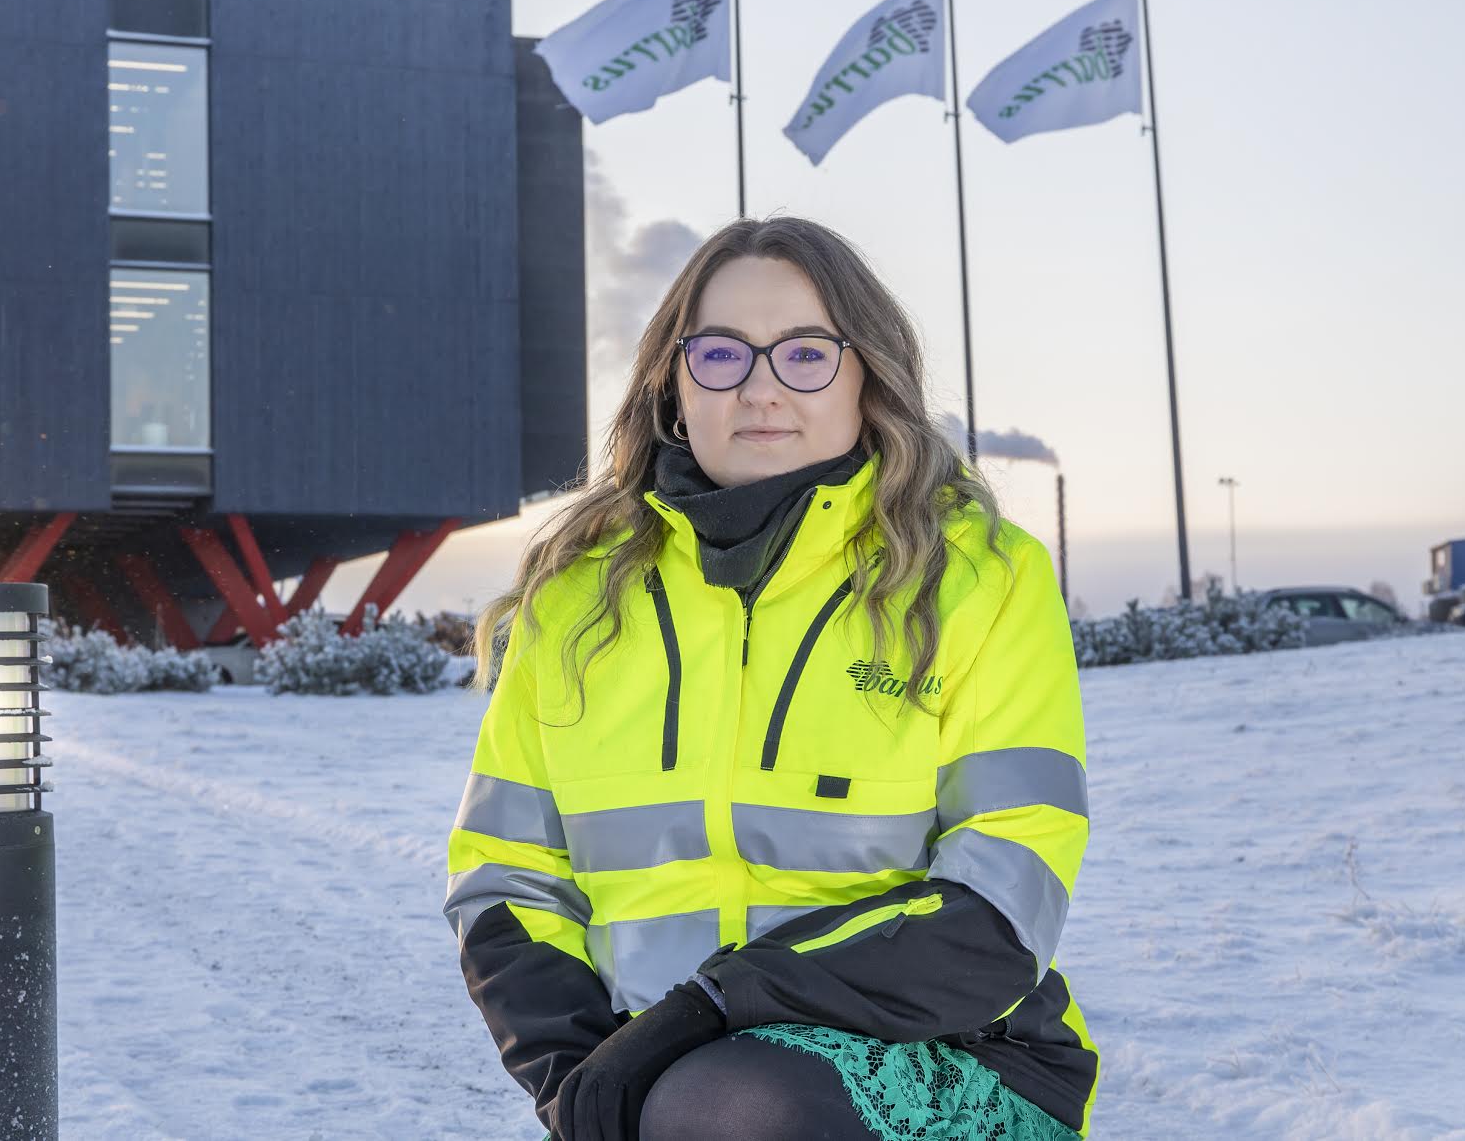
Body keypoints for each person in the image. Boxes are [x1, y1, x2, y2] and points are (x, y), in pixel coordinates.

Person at [444, 216, 1098, 1141]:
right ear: (673, 382)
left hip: (958, 1057)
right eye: (720, 354)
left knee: (727, 1102)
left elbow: (1000, 904)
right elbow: (505, 876)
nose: (759, 390)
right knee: (700, 1104)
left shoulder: (979, 577)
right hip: (666, 1076)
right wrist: (581, 1077)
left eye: (804, 353)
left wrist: (712, 1007)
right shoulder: (580, 599)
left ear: (866, 374)